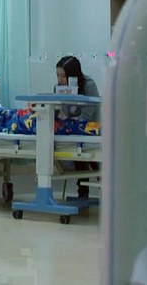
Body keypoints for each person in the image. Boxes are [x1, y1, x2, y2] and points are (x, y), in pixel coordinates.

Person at [54, 55, 100, 198]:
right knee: (71, 142)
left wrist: (71, 125)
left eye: (63, 76)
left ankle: (94, 188)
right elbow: (57, 109)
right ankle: (82, 190)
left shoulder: (88, 85)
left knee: (81, 145)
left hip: (90, 127)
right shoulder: (59, 88)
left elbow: (88, 114)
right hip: (72, 129)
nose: (60, 80)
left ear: (73, 75)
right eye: (58, 75)